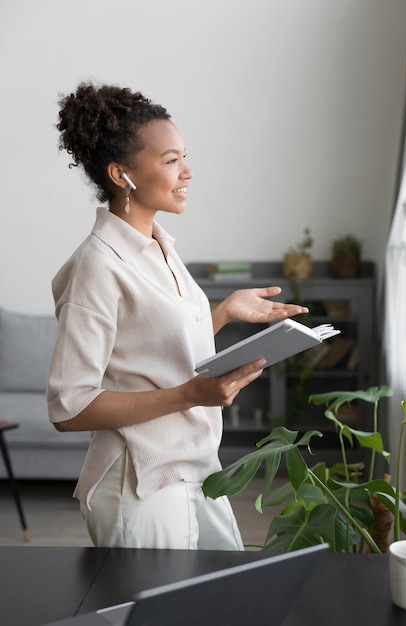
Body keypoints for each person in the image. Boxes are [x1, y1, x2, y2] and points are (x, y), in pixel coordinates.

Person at [47, 82, 308, 550]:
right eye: (171, 160)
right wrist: (191, 394)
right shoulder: (97, 267)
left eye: (183, 157)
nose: (187, 172)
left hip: (197, 466)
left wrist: (223, 313)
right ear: (121, 174)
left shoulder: (161, 247)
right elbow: (69, 407)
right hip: (139, 482)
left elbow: (145, 353)